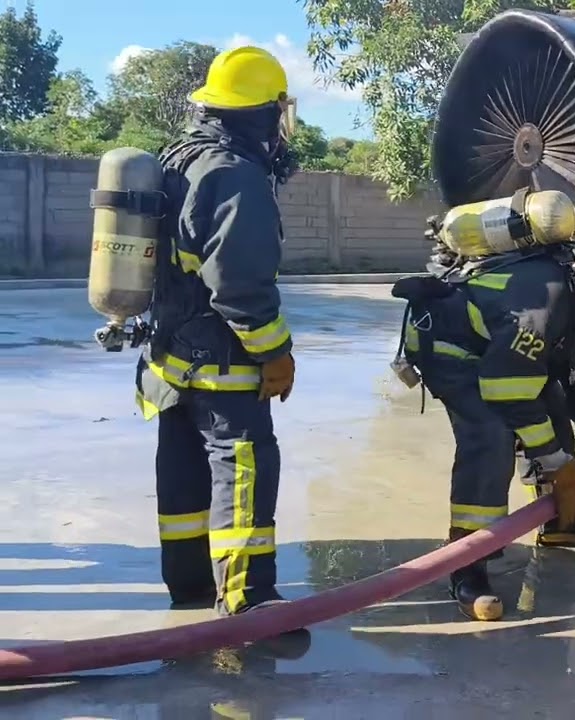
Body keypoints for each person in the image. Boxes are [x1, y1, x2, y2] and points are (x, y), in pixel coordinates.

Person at [396, 232, 575, 619]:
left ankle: (557, 524)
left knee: (550, 404)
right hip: (453, 348)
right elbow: (507, 391)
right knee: (491, 436)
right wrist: (562, 467)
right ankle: (467, 561)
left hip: (501, 352)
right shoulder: (548, 304)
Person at [136, 46, 300, 619]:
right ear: (265, 110)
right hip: (224, 363)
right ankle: (250, 599)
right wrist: (276, 354)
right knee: (246, 466)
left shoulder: (179, 157)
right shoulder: (234, 175)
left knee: (180, 469)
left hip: (170, 357)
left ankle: (190, 588)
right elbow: (240, 286)